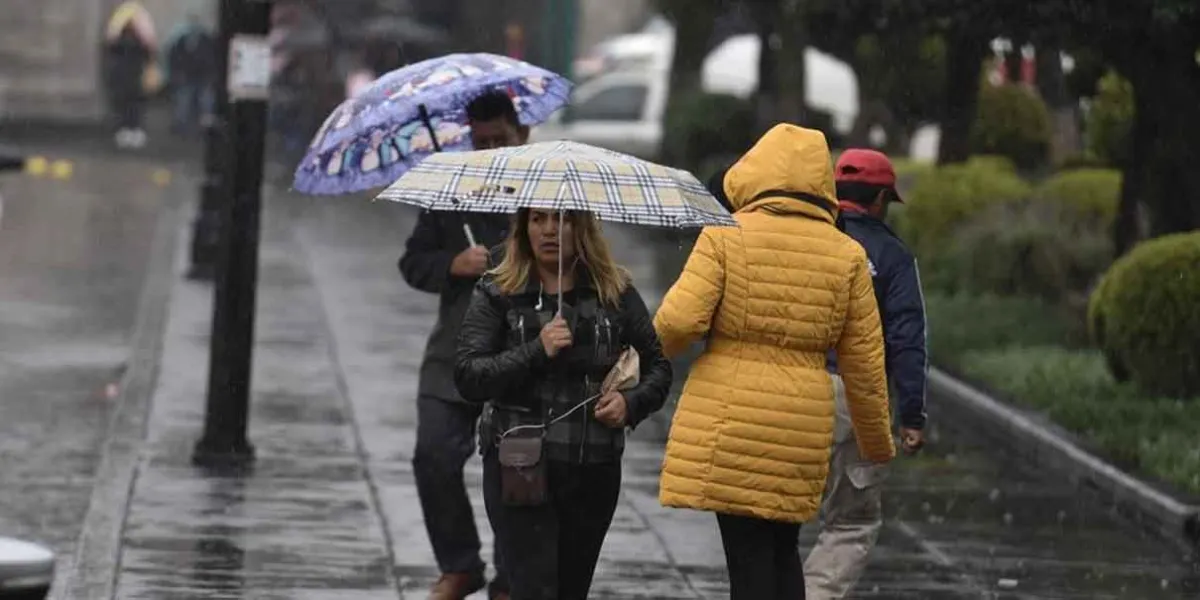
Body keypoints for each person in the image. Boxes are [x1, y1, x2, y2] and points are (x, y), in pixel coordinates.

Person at [654, 124, 896, 600]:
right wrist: (876, 443)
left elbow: (679, 321)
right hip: (803, 423)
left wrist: (643, 360)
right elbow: (865, 364)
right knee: (783, 550)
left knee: (746, 560)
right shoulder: (847, 256)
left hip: (732, 418)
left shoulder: (724, 237)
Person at [455, 208, 672, 600]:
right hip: (520, 465)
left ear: (582, 228)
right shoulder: (498, 291)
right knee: (533, 588)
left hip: (592, 466)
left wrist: (631, 404)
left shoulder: (614, 291)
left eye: (562, 219)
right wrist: (538, 349)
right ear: (524, 228)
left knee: (572, 589)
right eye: (538, 220)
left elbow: (658, 367)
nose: (549, 230)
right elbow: (470, 375)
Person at [398, 89, 529, 600]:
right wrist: (453, 265)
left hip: (519, 357)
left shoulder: (542, 194)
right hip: (452, 355)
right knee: (432, 456)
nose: (490, 148)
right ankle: (459, 563)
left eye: (500, 138)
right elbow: (413, 263)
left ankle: (511, 579)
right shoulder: (449, 196)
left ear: (522, 135)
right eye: (481, 140)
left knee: (515, 474)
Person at [803, 149, 928, 599]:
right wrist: (912, 415)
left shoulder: (807, 239)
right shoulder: (894, 256)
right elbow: (909, 339)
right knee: (851, 520)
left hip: (795, 389)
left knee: (773, 513)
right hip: (857, 397)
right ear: (879, 200)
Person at [103, 2, 157, 149]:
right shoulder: (140, 44)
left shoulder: (117, 42)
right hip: (134, 79)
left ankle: (125, 132)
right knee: (134, 107)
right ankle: (134, 131)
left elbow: (109, 49)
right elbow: (149, 53)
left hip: (124, 80)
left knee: (124, 106)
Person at [164, 14, 216, 136]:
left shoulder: (202, 40)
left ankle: (200, 126)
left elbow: (211, 58)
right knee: (186, 101)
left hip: (200, 76)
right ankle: (183, 126)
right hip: (188, 76)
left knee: (202, 102)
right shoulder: (184, 41)